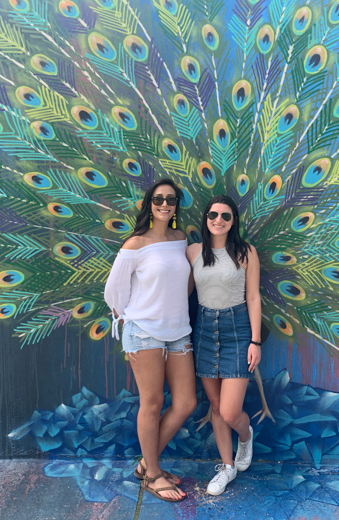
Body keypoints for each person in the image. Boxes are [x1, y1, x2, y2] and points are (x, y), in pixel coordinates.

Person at [104, 178, 196, 503]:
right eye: (158, 198)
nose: (164, 204)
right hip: (144, 332)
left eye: (171, 199)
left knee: (186, 402)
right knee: (153, 403)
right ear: (150, 202)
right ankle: (153, 475)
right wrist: (132, 316)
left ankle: (146, 464)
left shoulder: (179, 238)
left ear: (175, 205)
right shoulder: (135, 244)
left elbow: (183, 284)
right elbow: (113, 292)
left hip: (178, 330)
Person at [187, 194, 262, 495]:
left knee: (231, 412)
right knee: (216, 407)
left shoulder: (245, 252)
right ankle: (227, 466)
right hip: (204, 329)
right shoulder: (193, 251)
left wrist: (255, 340)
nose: (218, 220)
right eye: (213, 215)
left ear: (233, 222)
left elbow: (254, 297)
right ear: (206, 219)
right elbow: (176, 287)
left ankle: (245, 436)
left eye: (225, 216)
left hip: (237, 328)